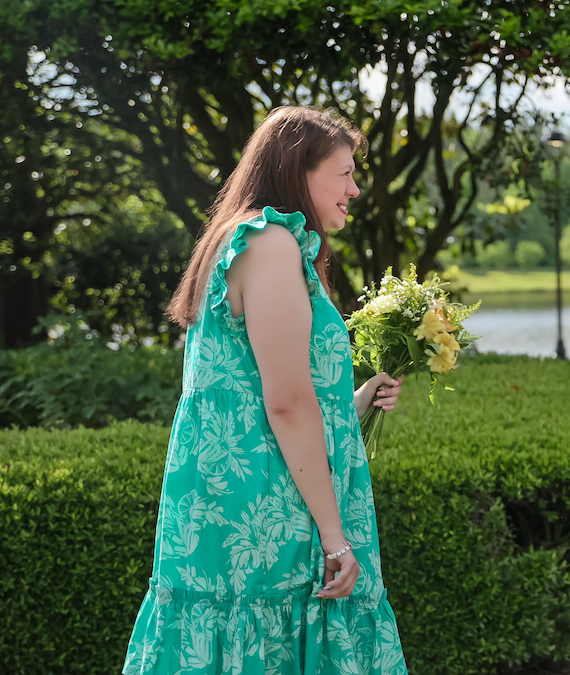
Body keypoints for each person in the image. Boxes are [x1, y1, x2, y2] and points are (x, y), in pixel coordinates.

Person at [123, 106, 408, 674]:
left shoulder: (250, 239)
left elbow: (258, 399)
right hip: (262, 518)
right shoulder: (271, 242)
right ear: (298, 170)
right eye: (346, 172)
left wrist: (354, 401)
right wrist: (335, 538)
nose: (355, 188)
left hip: (241, 500)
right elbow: (284, 402)